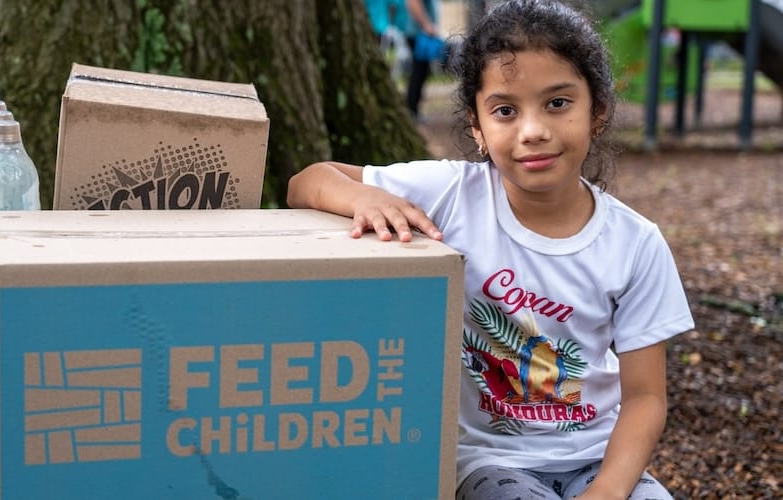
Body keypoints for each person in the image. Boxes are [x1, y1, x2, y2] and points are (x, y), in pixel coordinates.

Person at [287, 0, 694, 498]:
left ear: (599, 113)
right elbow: (307, 181)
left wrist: (607, 491)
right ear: (478, 129)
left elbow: (646, 398)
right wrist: (365, 197)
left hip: (599, 459)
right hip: (489, 463)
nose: (533, 130)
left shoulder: (636, 244)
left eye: (558, 103)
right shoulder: (452, 195)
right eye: (505, 110)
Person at [402, 0, 441, 120]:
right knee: (419, 72)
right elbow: (413, 3)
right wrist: (426, 25)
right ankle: (411, 110)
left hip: (420, 33)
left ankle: (413, 109)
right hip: (419, 34)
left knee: (421, 71)